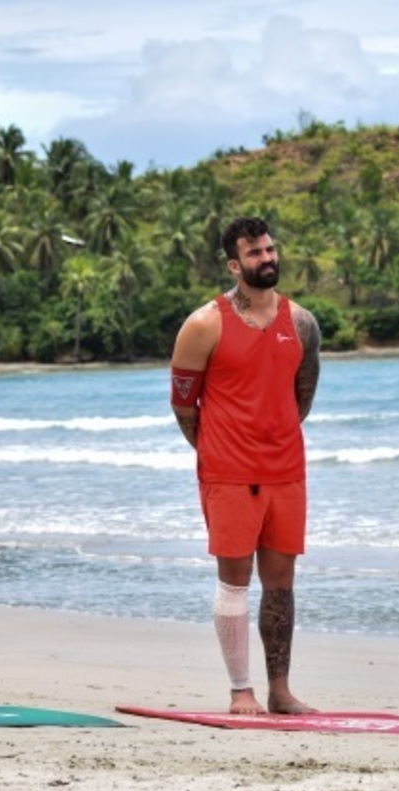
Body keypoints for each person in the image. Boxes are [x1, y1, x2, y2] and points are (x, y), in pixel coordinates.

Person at [170, 216, 321, 715]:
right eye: (255, 254)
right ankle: (241, 690)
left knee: (281, 585)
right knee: (234, 582)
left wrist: (270, 437)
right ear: (235, 264)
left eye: (271, 250)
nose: (268, 259)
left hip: (285, 471)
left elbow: (303, 396)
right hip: (228, 472)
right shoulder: (203, 324)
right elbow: (184, 406)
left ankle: (280, 691)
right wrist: (218, 450)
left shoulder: (301, 323)